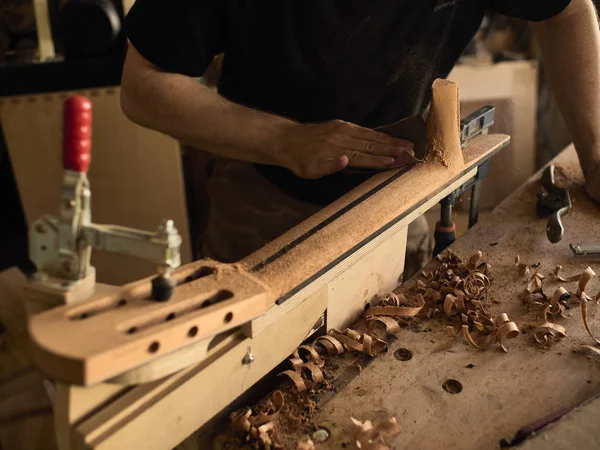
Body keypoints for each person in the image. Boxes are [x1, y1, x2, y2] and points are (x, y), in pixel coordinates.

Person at [120, 0, 600, 271]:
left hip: (398, 187)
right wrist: (285, 140)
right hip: (265, 195)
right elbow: (144, 85)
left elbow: (565, 11)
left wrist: (595, 153)